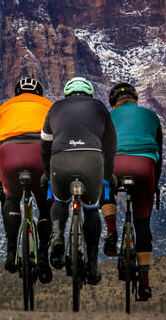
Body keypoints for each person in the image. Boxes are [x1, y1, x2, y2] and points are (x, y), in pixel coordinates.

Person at [41, 77, 116, 285]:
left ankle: (57, 235)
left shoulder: (55, 108)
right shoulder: (99, 107)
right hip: (91, 160)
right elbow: (110, 146)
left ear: (67, 94)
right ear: (89, 93)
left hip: (60, 160)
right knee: (91, 209)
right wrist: (108, 175)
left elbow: (45, 145)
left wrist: (47, 172)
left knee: (60, 200)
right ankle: (92, 266)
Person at [101, 82, 163, 301]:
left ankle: (111, 231)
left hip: (116, 165)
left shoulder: (107, 117)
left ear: (114, 103)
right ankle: (145, 284)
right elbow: (159, 157)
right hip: (144, 168)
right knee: (142, 225)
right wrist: (154, 187)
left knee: (105, 185)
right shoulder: (152, 116)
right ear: (136, 100)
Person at [0, 76, 55, 283]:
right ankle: (43, 256)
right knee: (46, 206)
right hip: (40, 154)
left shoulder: (4, 108)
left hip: (11, 153)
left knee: (11, 199)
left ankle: (11, 253)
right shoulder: (49, 106)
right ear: (40, 94)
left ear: (17, 93)